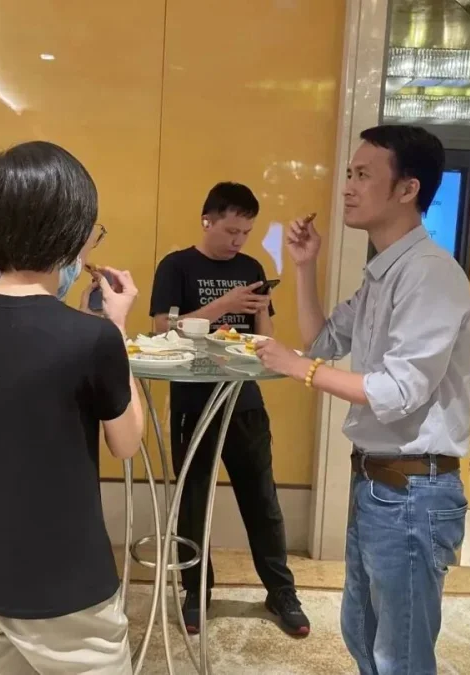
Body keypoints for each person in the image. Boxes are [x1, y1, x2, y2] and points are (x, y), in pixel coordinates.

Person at [0, 140, 144, 675]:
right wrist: (117, 326)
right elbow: (127, 443)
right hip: (69, 588)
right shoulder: (92, 338)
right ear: (73, 233)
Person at [255, 125, 470, 674]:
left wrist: (299, 370)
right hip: (380, 485)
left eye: (362, 175)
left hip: (413, 490)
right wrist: (304, 265)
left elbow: (398, 391)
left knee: (399, 654)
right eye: (349, 174)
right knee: (363, 632)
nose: (348, 187)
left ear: (407, 189)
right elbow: (323, 339)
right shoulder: (385, 271)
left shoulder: (429, 274)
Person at [0, 226, 107, 675]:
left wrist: (86, 315)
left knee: (32, 535)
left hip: (37, 426)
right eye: (87, 232)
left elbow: (53, 342)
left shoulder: (62, 275)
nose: (87, 246)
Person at [149, 182, 310, 637]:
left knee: (262, 500)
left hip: (244, 398)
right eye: (232, 230)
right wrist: (224, 304)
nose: (239, 241)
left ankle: (281, 592)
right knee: (193, 500)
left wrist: (259, 309)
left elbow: (265, 337)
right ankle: (195, 590)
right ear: (208, 220)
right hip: (192, 400)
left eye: (246, 232)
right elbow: (161, 329)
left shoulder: (251, 267)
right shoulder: (176, 266)